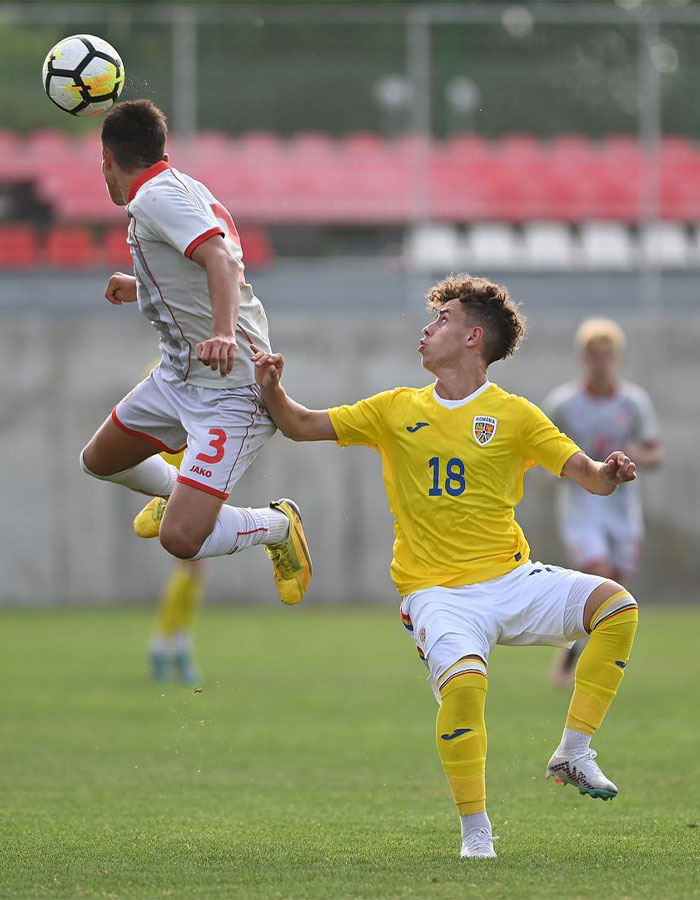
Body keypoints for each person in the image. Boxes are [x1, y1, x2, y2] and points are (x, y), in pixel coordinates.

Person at [250, 275, 638, 860]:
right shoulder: (394, 409)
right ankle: (477, 835)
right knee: (466, 687)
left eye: (442, 319)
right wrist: (273, 389)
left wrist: (608, 473)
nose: (427, 329)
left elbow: (588, 475)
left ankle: (574, 751)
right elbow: (301, 424)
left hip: (511, 579)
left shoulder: (515, 415)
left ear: (472, 337)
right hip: (436, 592)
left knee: (617, 608)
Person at [79, 99, 312, 607]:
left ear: (107, 159)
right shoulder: (172, 188)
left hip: (231, 386)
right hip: (179, 375)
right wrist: (141, 284)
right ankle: (175, 492)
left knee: (182, 539)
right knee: (99, 460)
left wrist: (225, 333)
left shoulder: (156, 198)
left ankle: (277, 525)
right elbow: (193, 266)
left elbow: (220, 260)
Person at [545, 319, 662, 688]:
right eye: (594, 355)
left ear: (618, 359)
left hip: (622, 508)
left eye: (607, 355)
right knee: (599, 573)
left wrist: (632, 456)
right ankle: (582, 668)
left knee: (615, 585)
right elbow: (540, 445)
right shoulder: (564, 404)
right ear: (584, 359)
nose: (601, 363)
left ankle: (571, 654)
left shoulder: (633, 402)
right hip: (582, 504)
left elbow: (656, 452)